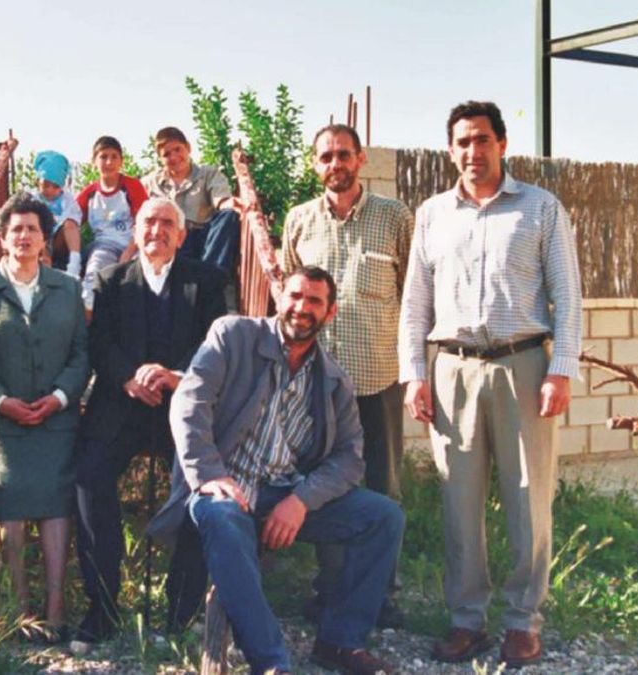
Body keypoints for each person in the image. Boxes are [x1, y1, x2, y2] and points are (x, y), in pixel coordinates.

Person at [398, 101, 582, 668]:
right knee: (459, 501)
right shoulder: (432, 214)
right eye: (462, 142)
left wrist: (561, 369)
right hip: (452, 370)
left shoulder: (540, 209)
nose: (472, 152)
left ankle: (523, 622)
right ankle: (466, 620)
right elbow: (414, 304)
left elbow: (568, 297)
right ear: (450, 150)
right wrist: (414, 375)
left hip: (522, 367)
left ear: (502, 144)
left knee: (528, 499)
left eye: (482, 140)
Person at [148, 267, 403, 675]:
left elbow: (350, 458)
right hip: (222, 489)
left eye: (314, 301)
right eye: (295, 296)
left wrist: (301, 500)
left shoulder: (333, 379)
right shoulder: (232, 335)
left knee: (383, 517)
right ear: (279, 299)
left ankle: (341, 641)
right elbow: (189, 404)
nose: (302, 308)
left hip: (283, 493)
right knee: (226, 520)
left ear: (330, 312)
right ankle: (271, 662)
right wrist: (209, 472)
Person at [73, 197, 235, 644]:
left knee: (199, 486)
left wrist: (175, 374)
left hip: (183, 408)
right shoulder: (111, 280)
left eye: (167, 223)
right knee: (88, 477)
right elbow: (100, 344)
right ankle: (101, 606)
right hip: (122, 404)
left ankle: (180, 611)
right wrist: (127, 377)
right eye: (148, 222)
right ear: (135, 231)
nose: (156, 231)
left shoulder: (206, 281)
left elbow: (215, 344)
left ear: (181, 236)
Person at [281, 123, 413, 628]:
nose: (335, 163)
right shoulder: (300, 221)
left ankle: (380, 594)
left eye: (343, 154)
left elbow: (414, 293)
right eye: (325, 156)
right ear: (315, 165)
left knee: (381, 486)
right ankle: (331, 589)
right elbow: (290, 300)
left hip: (377, 378)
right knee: (323, 487)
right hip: (315, 385)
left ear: (360, 159)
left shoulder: (394, 217)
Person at [0, 193, 89, 643]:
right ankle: (19, 604)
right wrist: (0, 400)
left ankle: (55, 605)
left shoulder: (67, 290)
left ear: (46, 237)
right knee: (9, 499)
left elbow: (81, 355)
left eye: (33, 228)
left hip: (55, 419)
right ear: (2, 237)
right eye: (16, 229)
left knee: (54, 499)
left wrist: (60, 398)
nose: (25, 236)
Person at [142, 126, 242, 277]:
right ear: (160, 159)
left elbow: (221, 200)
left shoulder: (208, 174)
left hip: (204, 238)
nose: (174, 157)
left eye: (178, 149)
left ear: (188, 147)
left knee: (228, 216)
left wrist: (229, 204)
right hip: (173, 240)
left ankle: (211, 277)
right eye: (167, 154)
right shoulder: (150, 183)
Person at [75, 136, 149, 313]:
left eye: (114, 156)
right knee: (94, 274)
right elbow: (73, 221)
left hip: (133, 244)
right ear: (94, 161)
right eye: (103, 156)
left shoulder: (132, 186)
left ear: (121, 161)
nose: (109, 162)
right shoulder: (90, 193)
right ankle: (89, 322)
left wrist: (129, 251)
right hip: (104, 245)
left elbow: (144, 222)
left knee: (139, 274)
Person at [30, 149, 83, 278]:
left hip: (59, 240)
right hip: (40, 240)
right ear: (38, 182)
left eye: (55, 186)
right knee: (42, 251)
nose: (50, 190)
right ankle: (46, 275)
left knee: (71, 224)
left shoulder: (67, 199)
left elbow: (76, 217)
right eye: (46, 185)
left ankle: (74, 264)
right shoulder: (33, 199)